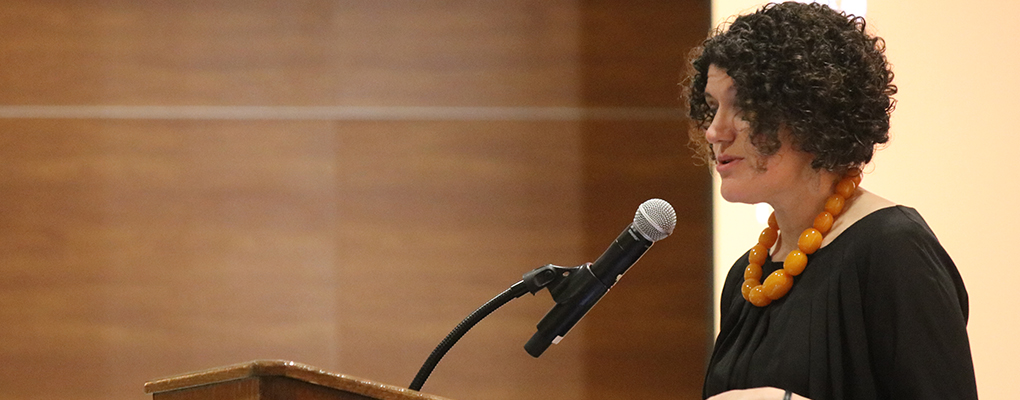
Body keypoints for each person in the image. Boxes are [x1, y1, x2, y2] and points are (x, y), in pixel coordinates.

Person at [682, 2, 978, 400]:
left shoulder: (893, 250)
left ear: (810, 112)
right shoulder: (746, 278)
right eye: (713, 106)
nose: (715, 131)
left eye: (743, 106)